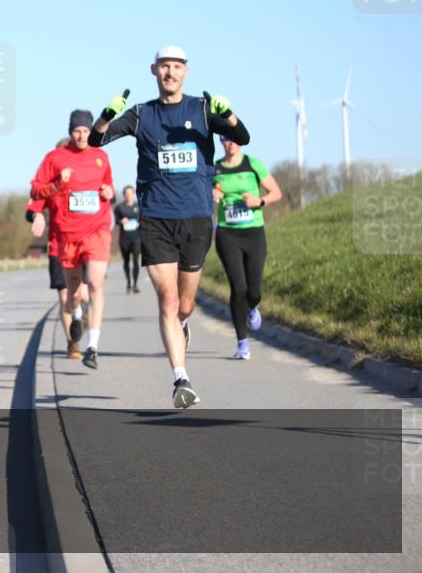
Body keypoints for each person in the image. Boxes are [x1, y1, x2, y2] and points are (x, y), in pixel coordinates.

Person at [89, 46, 250, 408]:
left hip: (195, 218)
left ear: (186, 72)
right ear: (154, 70)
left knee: (186, 304)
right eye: (165, 67)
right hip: (156, 219)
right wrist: (104, 117)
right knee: (168, 299)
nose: (171, 73)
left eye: (177, 67)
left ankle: (182, 325)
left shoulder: (203, 110)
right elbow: (99, 141)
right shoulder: (141, 113)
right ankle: (181, 378)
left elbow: (243, 139)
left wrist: (230, 115)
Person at [31, 110, 114, 370]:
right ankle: (77, 314)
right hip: (66, 235)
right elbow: (35, 189)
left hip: (97, 230)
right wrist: (57, 185)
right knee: (73, 291)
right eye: (77, 131)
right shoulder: (55, 158)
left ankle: (93, 346)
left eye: (86, 131)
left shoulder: (101, 157)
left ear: (91, 131)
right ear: (70, 131)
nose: (81, 135)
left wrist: (109, 191)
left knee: (95, 284)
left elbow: (109, 187)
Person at [212, 137, 282, 360]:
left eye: (233, 138)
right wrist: (213, 194)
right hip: (227, 233)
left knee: (254, 291)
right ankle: (242, 344)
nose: (229, 142)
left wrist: (258, 202)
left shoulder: (253, 164)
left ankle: (252, 308)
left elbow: (276, 193)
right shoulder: (216, 168)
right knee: (238, 287)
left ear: (240, 141)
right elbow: (207, 193)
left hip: (253, 233)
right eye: (224, 138)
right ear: (221, 141)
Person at [26, 137, 89, 359]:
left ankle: (82, 314)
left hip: (85, 246)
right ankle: (73, 343)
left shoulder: (87, 178)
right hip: (57, 247)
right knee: (64, 298)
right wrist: (36, 216)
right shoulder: (51, 185)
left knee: (83, 294)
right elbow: (33, 206)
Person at [113, 185, 142, 293]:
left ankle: (135, 284)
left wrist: (140, 222)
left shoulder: (138, 206)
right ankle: (128, 282)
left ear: (133, 194)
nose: (128, 195)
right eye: (126, 193)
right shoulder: (119, 208)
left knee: (135, 260)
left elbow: (144, 219)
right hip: (124, 237)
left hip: (136, 237)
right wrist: (121, 221)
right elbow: (115, 221)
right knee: (126, 261)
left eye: (130, 193)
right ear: (124, 194)